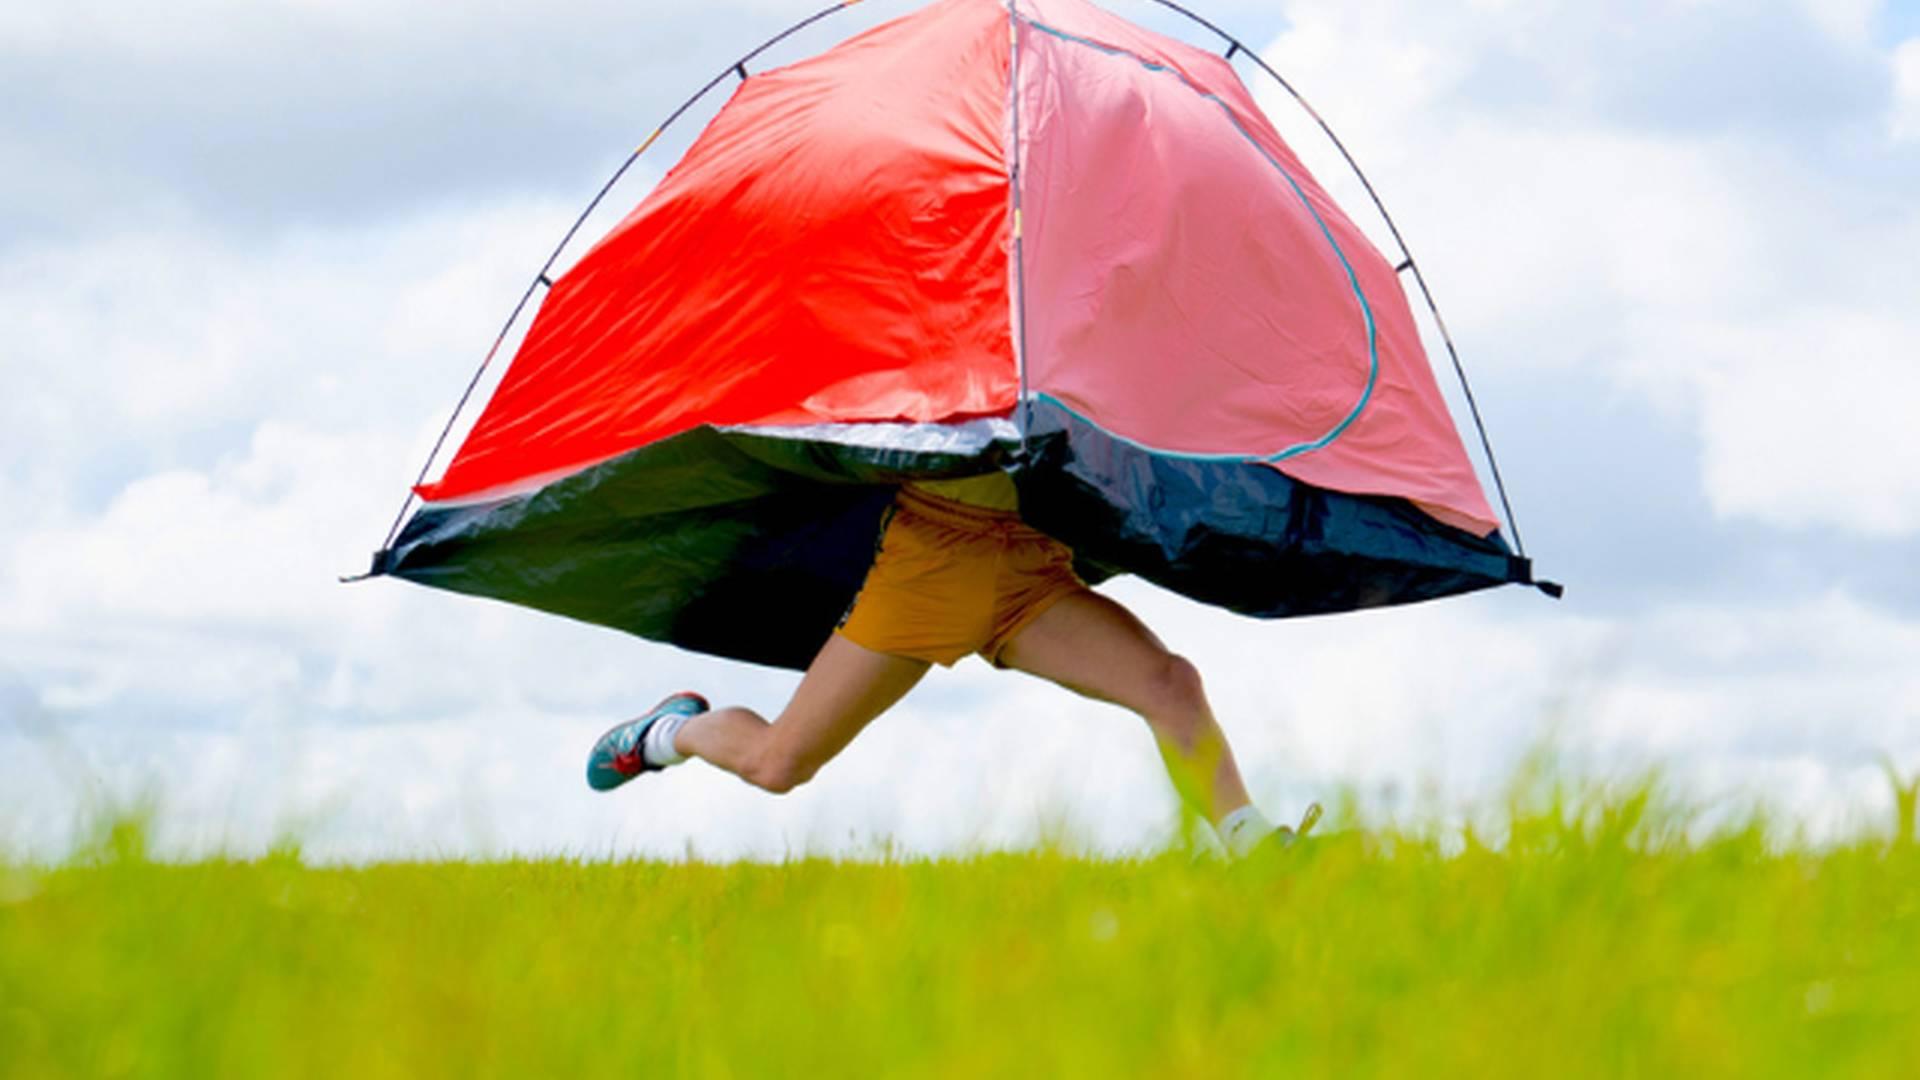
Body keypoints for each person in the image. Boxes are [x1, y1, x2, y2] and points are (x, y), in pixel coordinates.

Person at [585, 473, 1318, 857]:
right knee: (779, 763)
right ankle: (667, 734)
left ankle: (1252, 849)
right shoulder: (938, 280)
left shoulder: (1063, 279)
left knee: (1171, 684)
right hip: (929, 558)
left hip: (1028, 561)